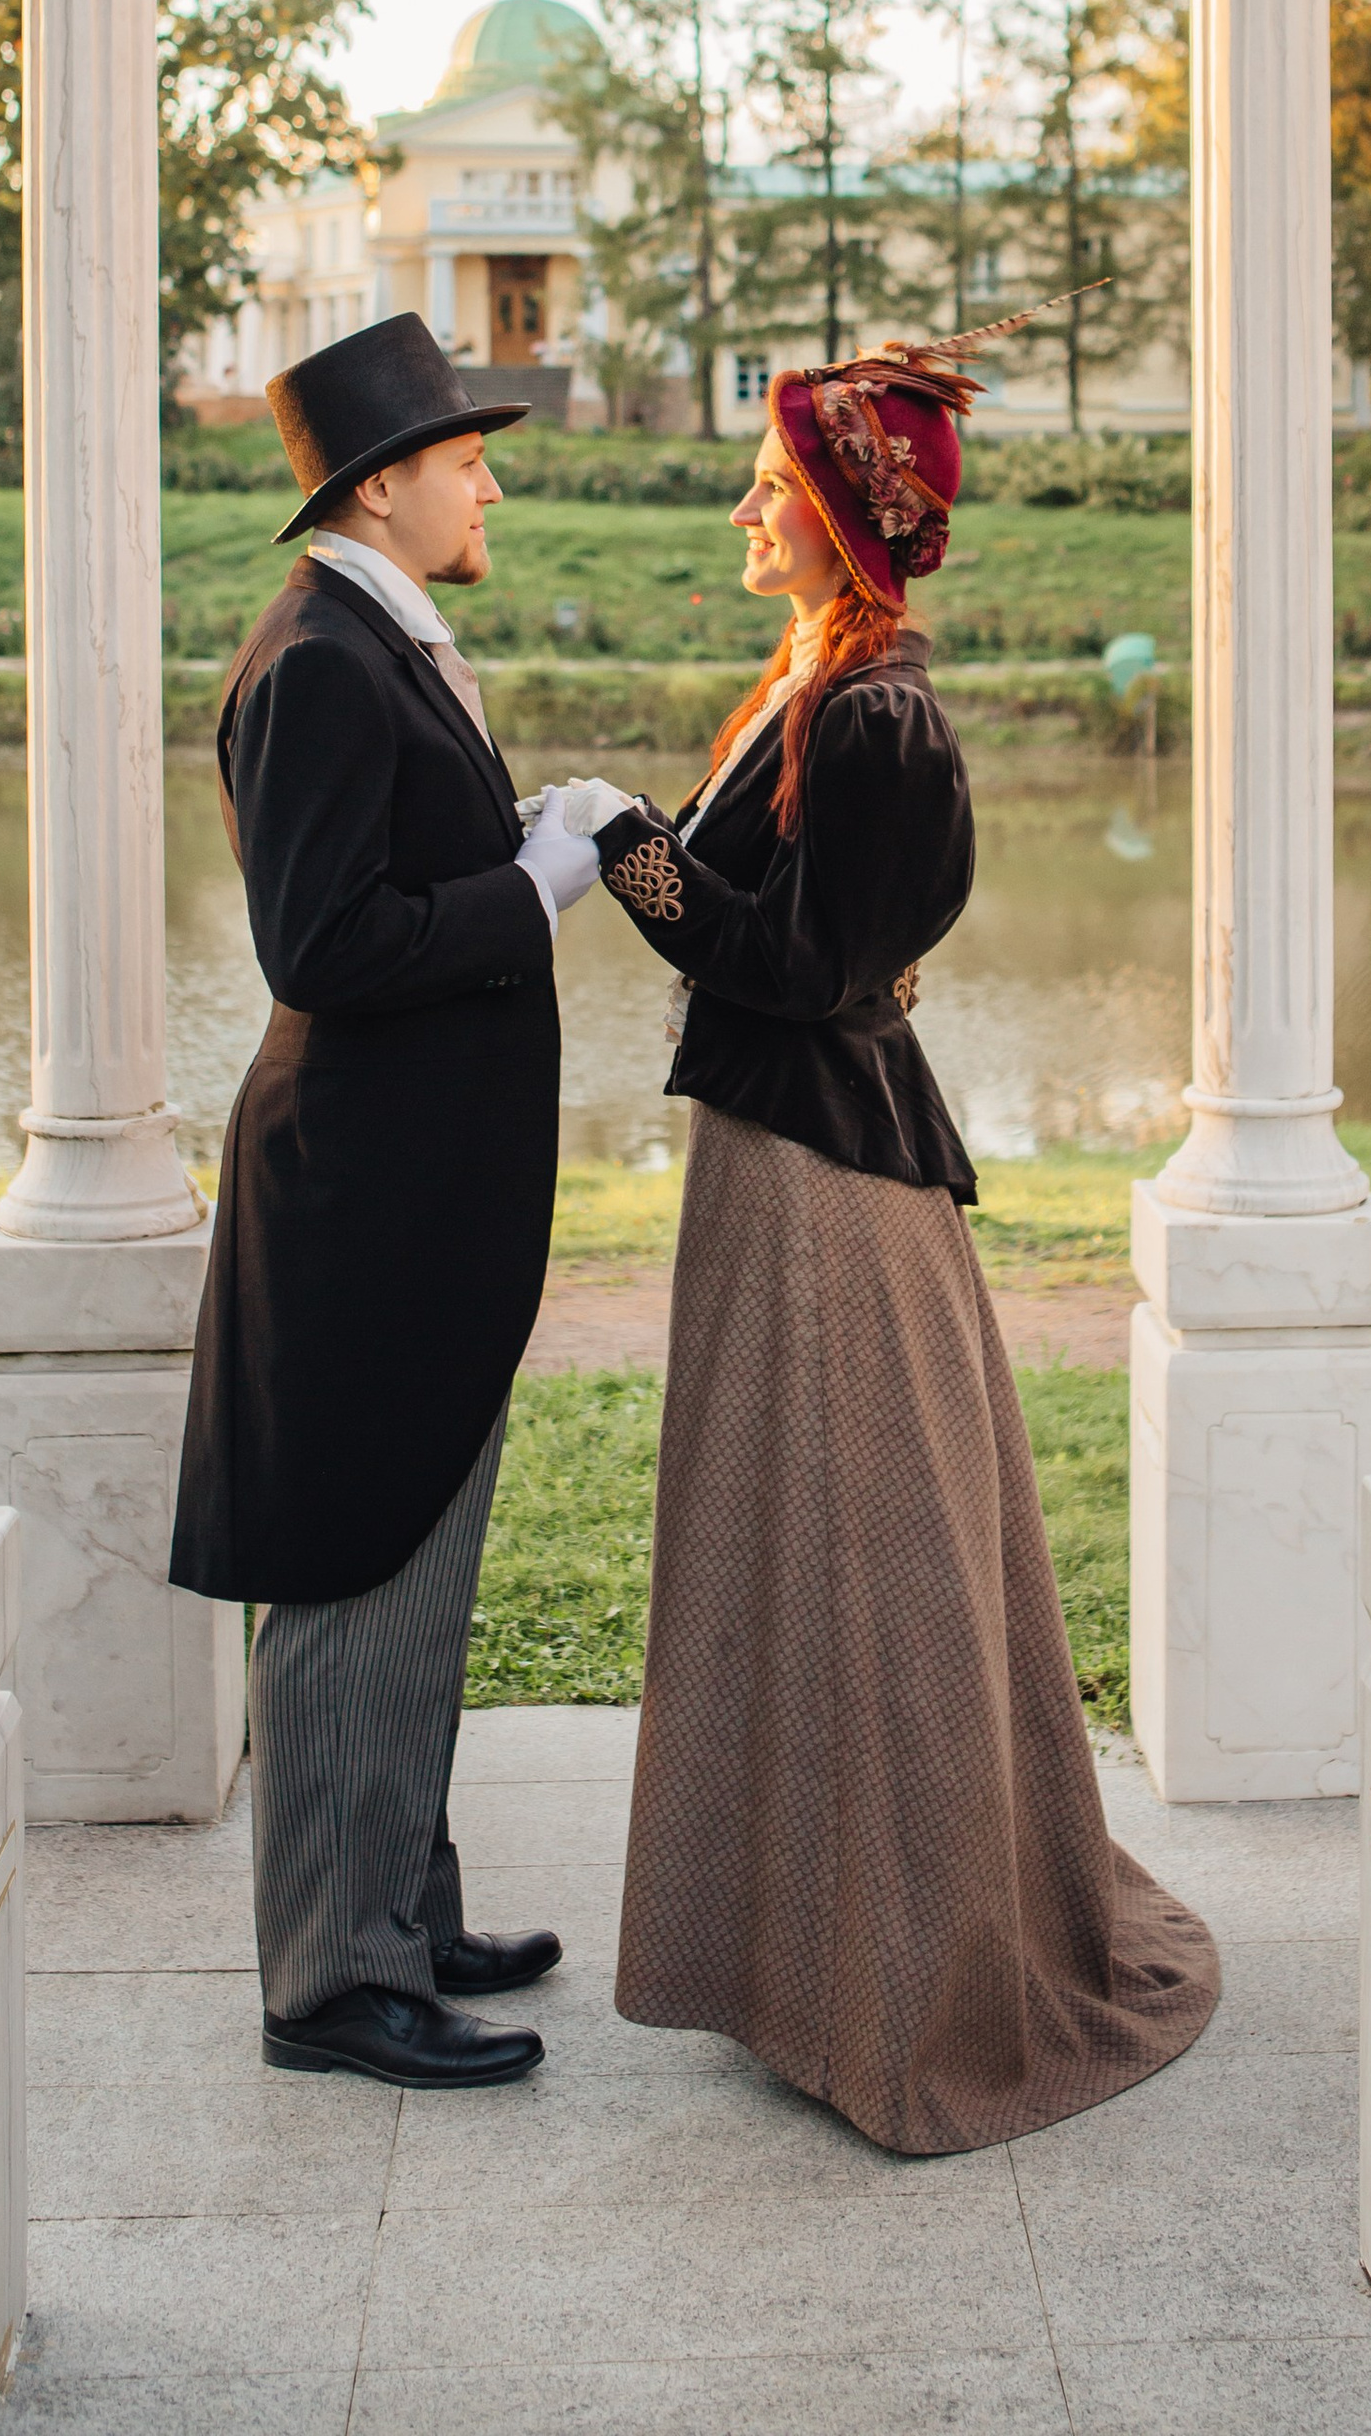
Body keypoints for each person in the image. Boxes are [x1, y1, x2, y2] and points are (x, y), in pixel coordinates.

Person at [582, 324, 1221, 2154]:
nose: (744, 515)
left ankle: (910, 1982)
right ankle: (802, 1955)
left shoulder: (878, 719)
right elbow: (820, 939)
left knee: (865, 1567)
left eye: (771, 490)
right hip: (779, 1163)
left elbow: (803, 969)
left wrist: (628, 854)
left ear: (849, 520)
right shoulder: (814, 687)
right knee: (791, 1551)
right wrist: (661, 849)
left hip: (832, 1192)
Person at [169, 313, 606, 2091]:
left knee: (421, 1560)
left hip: (418, 1196)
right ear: (383, 485)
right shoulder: (322, 661)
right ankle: (332, 1980)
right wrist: (544, 887)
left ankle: (400, 1906)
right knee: (359, 1569)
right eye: (466, 458)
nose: (488, 482)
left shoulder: (382, 642)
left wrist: (512, 846)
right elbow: (327, 944)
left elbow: (391, 882)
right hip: (360, 1200)